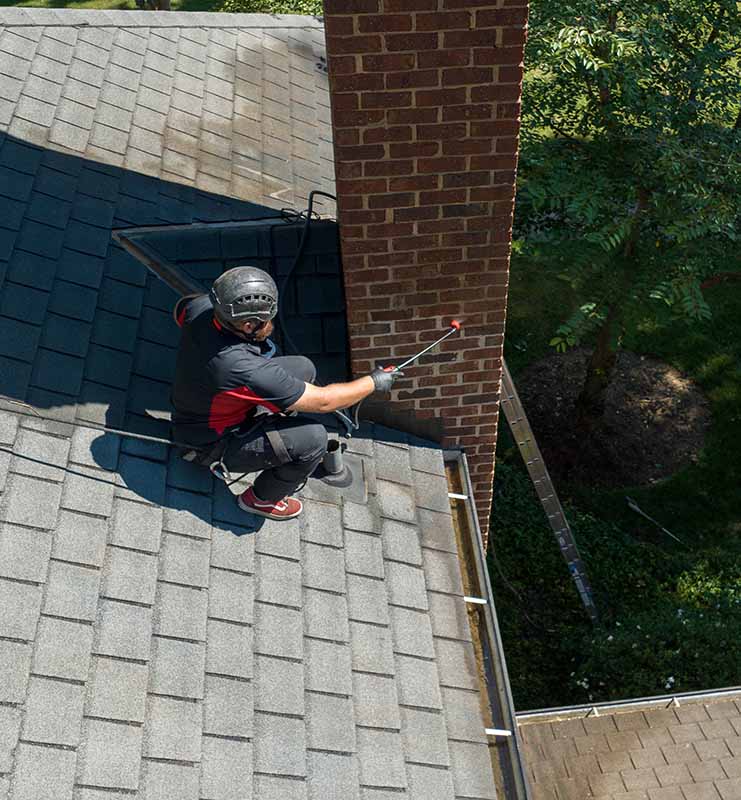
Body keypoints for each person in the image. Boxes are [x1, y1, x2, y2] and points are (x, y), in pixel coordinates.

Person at [170, 266, 400, 521]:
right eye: (266, 319)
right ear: (247, 325)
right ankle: (260, 500)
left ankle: (279, 424)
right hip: (208, 442)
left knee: (303, 368)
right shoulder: (244, 368)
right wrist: (374, 382)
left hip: (205, 401)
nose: (271, 323)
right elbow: (325, 402)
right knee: (314, 439)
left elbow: (180, 307)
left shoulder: (200, 307)